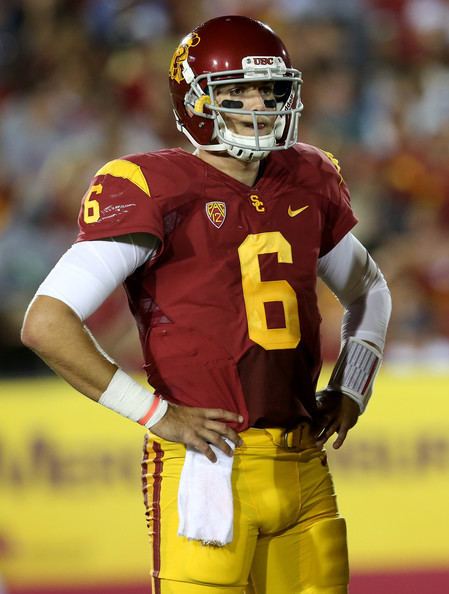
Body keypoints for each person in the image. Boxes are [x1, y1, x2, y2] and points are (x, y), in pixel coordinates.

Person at [21, 15, 391, 594]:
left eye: (269, 90)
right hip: (207, 464)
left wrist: (353, 384)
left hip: (303, 460)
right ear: (195, 101)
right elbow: (46, 323)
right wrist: (155, 414)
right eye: (237, 91)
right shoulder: (151, 185)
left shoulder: (308, 176)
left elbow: (369, 288)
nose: (260, 105)